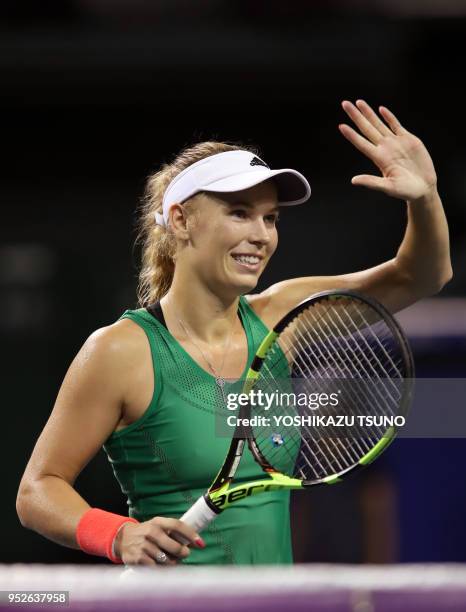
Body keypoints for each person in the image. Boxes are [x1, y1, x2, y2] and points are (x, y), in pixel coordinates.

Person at [16, 99, 452, 566]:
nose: (262, 234)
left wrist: (424, 197)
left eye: (271, 218)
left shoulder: (283, 317)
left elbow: (421, 276)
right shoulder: (120, 350)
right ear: (181, 220)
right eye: (240, 213)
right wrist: (119, 535)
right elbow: (38, 489)